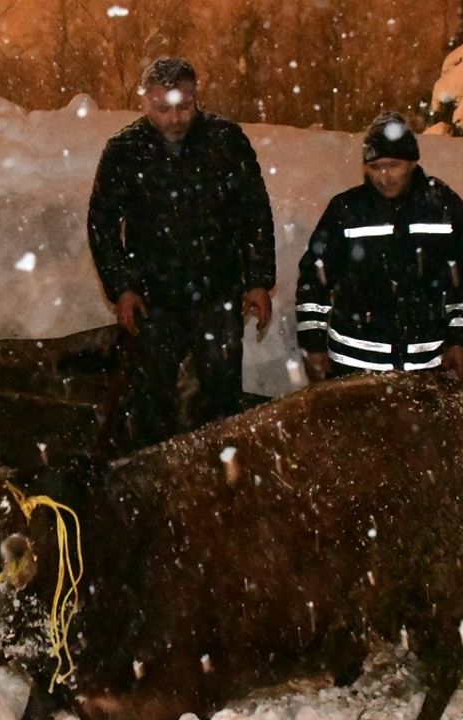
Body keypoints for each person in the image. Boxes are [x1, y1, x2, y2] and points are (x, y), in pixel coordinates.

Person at [87, 57, 276, 449]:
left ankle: (221, 474)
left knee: (221, 398)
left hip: (217, 291)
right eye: (163, 108)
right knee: (152, 398)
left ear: (196, 98)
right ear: (145, 103)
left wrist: (258, 280)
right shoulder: (124, 151)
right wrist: (121, 286)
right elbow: (102, 225)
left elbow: (254, 212)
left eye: (184, 106)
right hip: (154, 297)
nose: (174, 118)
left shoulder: (225, 142)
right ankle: (156, 475)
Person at [294, 111, 463, 381]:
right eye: (375, 167)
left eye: (393, 165)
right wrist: (312, 345)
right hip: (354, 367)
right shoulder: (345, 211)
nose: (384, 177)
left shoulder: (444, 208)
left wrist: (460, 340)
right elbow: (314, 279)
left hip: (427, 367)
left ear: (412, 161)